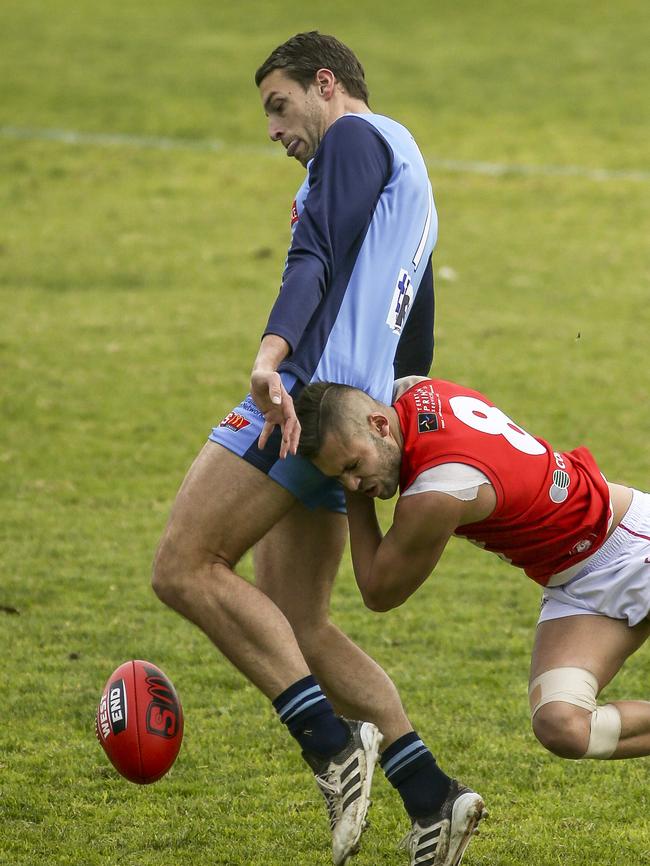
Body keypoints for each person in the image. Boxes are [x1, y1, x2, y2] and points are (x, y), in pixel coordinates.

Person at [152, 31, 484, 866]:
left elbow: (316, 253)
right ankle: (432, 796)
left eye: (278, 104)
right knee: (300, 620)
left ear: (325, 84)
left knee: (185, 566)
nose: (273, 128)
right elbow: (421, 323)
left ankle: (333, 750)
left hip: (306, 403)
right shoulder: (407, 162)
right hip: (356, 418)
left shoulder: (352, 141)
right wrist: (396, 419)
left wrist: (273, 359)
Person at [295, 375, 650, 770]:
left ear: (380, 425)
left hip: (633, 543)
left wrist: (352, 497)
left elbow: (379, 593)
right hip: (572, 582)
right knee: (561, 725)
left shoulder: (438, 489)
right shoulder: (412, 388)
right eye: (339, 478)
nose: (353, 482)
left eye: (353, 466)